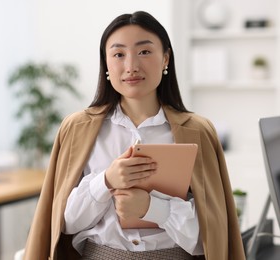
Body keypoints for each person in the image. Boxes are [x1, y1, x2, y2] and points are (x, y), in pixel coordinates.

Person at [23, 11, 245, 260]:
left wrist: (152, 208)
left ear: (165, 59)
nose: (131, 66)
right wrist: (105, 181)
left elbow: (210, 237)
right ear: (106, 64)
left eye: (144, 52)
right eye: (119, 54)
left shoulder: (198, 131)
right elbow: (64, 223)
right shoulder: (76, 128)